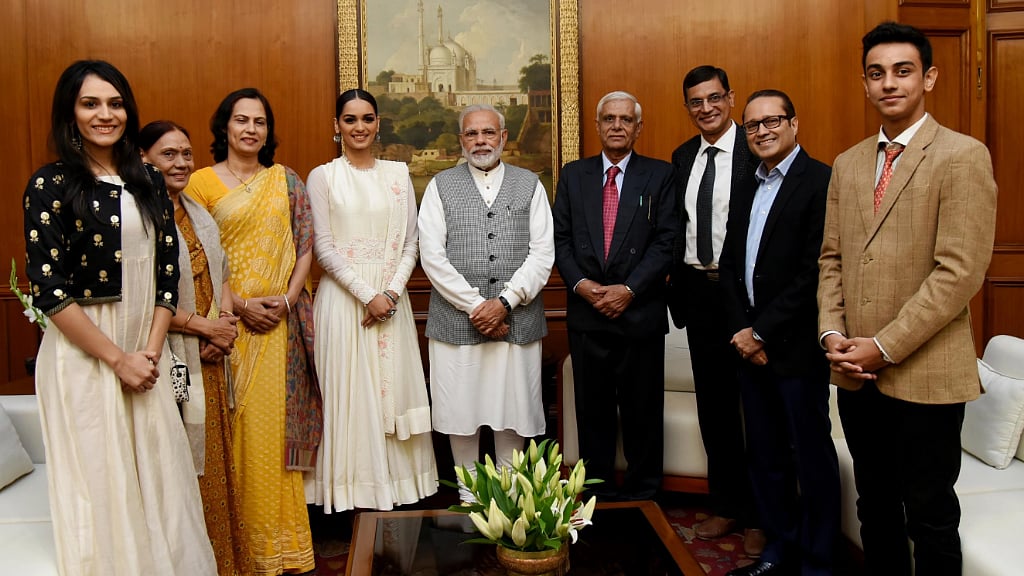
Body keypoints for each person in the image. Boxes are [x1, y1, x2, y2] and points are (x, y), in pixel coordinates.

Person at [21, 60, 216, 575]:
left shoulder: (148, 178)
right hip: (86, 359)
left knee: (162, 481)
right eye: (90, 104)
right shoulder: (50, 184)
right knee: (102, 484)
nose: (105, 114)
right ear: (70, 112)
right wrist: (118, 360)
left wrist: (148, 355)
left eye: (115, 103)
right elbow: (50, 291)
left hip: (146, 356)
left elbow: (167, 275)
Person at [818, 22, 998, 576]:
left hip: (926, 375)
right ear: (865, 83)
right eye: (877, 73)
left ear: (929, 77)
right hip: (856, 374)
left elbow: (958, 273)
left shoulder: (963, 156)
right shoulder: (848, 163)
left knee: (930, 516)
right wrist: (833, 335)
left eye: (903, 71)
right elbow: (832, 259)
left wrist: (883, 346)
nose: (889, 83)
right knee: (874, 507)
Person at [185, 88, 320, 575]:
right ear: (224, 126)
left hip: (280, 327)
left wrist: (284, 302)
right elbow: (195, 256)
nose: (250, 129)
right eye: (241, 120)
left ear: (268, 130)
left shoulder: (286, 180)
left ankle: (280, 548)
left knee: (271, 439)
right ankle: (235, 547)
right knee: (232, 437)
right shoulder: (199, 183)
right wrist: (241, 307)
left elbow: (306, 247)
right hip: (225, 328)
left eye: (259, 122)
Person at [719, 91, 839, 576]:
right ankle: (778, 551)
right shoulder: (748, 181)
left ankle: (817, 562)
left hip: (795, 350)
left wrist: (762, 333)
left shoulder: (821, 181)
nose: (762, 131)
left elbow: (815, 271)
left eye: (772, 121)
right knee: (765, 456)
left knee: (810, 458)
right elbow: (729, 263)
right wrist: (741, 330)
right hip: (749, 349)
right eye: (752, 125)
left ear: (794, 124)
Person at [305, 89, 438, 512]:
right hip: (344, 302)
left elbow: (411, 243)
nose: (359, 127)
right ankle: (351, 492)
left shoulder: (398, 174)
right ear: (337, 126)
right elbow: (323, 247)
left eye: (367, 118)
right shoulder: (323, 176)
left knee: (391, 389)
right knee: (349, 395)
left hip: (390, 302)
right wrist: (367, 295)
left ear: (378, 123)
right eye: (350, 119)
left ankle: (395, 490)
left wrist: (389, 294)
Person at [418, 103, 554, 501]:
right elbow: (432, 255)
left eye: (488, 132)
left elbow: (543, 253)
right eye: (472, 134)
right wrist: (477, 306)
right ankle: (470, 497)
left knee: (513, 412)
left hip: (517, 321)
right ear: (461, 140)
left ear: (503, 137)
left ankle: (510, 500)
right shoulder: (440, 185)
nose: (481, 141)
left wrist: (505, 302)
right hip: (456, 323)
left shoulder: (530, 184)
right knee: (461, 413)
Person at [140, 120, 254, 575]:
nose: (181, 163)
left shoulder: (198, 212)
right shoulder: (140, 219)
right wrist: (206, 329)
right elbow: (145, 298)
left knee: (216, 468)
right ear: (143, 159)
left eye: (186, 154)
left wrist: (223, 325)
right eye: (168, 154)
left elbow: (221, 273)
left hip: (210, 357)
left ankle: (223, 562)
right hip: (170, 360)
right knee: (181, 467)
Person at [553, 91, 677, 501]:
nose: (617, 126)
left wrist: (629, 289)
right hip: (587, 316)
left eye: (626, 119)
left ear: (638, 127)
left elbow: (667, 241)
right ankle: (597, 499)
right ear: (597, 125)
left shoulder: (660, 175)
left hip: (639, 315)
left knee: (643, 415)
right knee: (593, 415)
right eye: (609, 119)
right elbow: (560, 239)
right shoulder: (574, 175)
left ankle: (644, 500)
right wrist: (582, 285)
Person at [667, 65, 762, 553]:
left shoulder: (756, 147)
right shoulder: (683, 156)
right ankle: (726, 506)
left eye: (714, 98)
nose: (706, 108)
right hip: (698, 296)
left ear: (731, 97)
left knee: (757, 410)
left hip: (745, 296)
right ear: (687, 107)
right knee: (716, 408)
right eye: (696, 101)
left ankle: (760, 516)